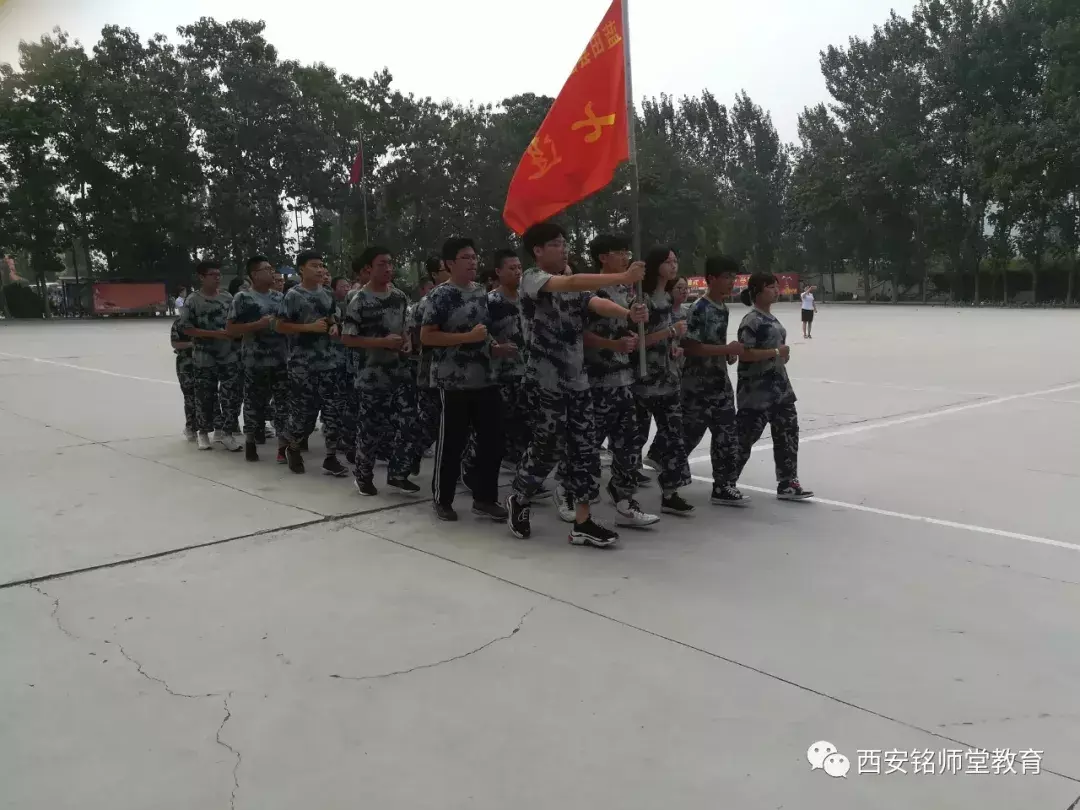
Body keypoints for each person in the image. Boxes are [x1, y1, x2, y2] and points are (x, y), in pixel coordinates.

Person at [505, 222, 647, 547]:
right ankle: (520, 497)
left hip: (578, 380)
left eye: (564, 243)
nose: (564, 248)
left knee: (585, 451)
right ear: (538, 250)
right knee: (547, 448)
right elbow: (570, 282)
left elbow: (594, 302)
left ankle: (583, 522)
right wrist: (622, 276)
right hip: (545, 382)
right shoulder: (533, 278)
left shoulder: (573, 283)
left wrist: (626, 313)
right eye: (556, 243)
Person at [421, 237, 511, 523]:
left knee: (492, 442)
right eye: (466, 257)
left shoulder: (482, 292)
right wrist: (466, 337)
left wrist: (495, 347)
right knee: (452, 443)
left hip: (486, 378)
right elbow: (427, 336)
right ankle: (443, 499)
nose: (473, 262)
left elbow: (484, 331)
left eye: (474, 256)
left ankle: (485, 499)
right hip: (453, 381)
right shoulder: (440, 295)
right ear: (450, 264)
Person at [582, 234, 658, 528]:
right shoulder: (590, 289)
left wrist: (637, 322)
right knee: (587, 445)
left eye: (627, 251)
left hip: (623, 379)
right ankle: (570, 491)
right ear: (603, 257)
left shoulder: (627, 291)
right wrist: (612, 345)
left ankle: (624, 501)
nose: (626, 257)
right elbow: (580, 336)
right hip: (596, 381)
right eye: (620, 252)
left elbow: (631, 328)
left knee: (628, 445)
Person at [341, 247, 422, 496]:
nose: (388, 268)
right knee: (371, 429)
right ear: (368, 268)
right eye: (381, 264)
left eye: (390, 263)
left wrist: (407, 343)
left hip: (400, 372)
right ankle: (363, 476)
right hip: (371, 376)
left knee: (409, 423)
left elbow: (405, 328)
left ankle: (398, 474)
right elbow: (348, 338)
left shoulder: (399, 296)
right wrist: (381, 342)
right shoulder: (359, 300)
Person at [734, 272, 814, 501]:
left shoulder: (772, 319)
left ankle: (788, 482)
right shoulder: (751, 320)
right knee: (745, 438)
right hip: (757, 392)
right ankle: (725, 481)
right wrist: (776, 352)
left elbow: (776, 352)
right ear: (756, 292)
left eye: (776, 286)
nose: (776, 290)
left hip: (780, 389)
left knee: (788, 434)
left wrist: (781, 356)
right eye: (770, 287)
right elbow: (745, 354)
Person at [681, 256, 749, 507]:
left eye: (734, 277)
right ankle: (669, 480)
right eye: (727, 277)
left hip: (719, 383)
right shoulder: (699, 308)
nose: (732, 282)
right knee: (688, 436)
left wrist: (727, 353)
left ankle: (723, 486)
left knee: (727, 436)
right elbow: (691, 347)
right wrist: (724, 349)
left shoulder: (723, 308)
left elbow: (714, 345)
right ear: (711, 279)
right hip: (697, 387)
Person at [634, 247, 695, 516]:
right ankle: (622, 490)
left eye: (675, 260)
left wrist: (673, 347)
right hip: (644, 380)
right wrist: (669, 331)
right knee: (634, 438)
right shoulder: (642, 301)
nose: (673, 265)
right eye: (668, 261)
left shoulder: (668, 299)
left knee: (674, 437)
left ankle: (670, 491)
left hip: (668, 378)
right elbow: (637, 342)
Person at [275, 250, 346, 476]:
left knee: (333, 412)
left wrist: (334, 327)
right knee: (304, 414)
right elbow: (280, 325)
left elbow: (332, 318)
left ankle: (331, 457)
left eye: (321, 265)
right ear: (301, 269)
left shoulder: (327, 294)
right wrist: (308, 328)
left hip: (329, 363)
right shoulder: (293, 295)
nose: (320, 269)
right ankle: (293, 447)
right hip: (302, 365)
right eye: (314, 265)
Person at [226, 256, 289, 464]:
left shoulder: (280, 297)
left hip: (280, 360)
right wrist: (257, 325)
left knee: (282, 404)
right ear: (254, 274)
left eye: (272, 268)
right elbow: (231, 330)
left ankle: (283, 447)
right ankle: (251, 441)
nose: (272, 272)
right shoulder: (243, 298)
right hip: (254, 361)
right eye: (267, 269)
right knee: (253, 404)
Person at [177, 260, 243, 451]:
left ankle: (227, 433)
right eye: (212, 275)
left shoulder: (227, 297)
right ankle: (203, 433)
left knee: (230, 395)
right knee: (205, 396)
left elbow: (234, 321)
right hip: (204, 357)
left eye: (219, 274)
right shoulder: (192, 300)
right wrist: (216, 334)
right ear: (201, 277)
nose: (217, 278)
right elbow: (186, 329)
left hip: (228, 355)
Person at [410, 256, 450, 462]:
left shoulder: (465, 296)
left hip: (458, 372)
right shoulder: (427, 302)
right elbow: (417, 335)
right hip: (432, 370)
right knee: (430, 420)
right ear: (434, 274)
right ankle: (408, 457)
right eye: (445, 269)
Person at [170, 315, 197, 441]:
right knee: (190, 396)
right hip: (186, 364)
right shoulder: (180, 322)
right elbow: (175, 343)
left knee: (208, 396)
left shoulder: (205, 319)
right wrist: (193, 344)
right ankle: (191, 427)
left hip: (206, 362)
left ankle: (213, 428)